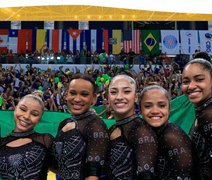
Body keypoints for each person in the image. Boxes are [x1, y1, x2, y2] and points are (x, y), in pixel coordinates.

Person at [52, 73, 109, 180]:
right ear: (66, 95)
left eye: (84, 94)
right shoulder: (64, 123)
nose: (77, 99)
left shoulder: (96, 125)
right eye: (73, 93)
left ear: (93, 99)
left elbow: (93, 174)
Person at [107, 74, 158, 179]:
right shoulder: (113, 128)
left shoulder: (142, 131)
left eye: (126, 91)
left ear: (135, 97)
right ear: (108, 98)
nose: (119, 97)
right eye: (113, 92)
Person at [139, 84, 195, 179]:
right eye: (148, 106)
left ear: (169, 109)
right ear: (140, 109)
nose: (155, 111)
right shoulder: (141, 129)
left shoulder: (173, 137)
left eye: (161, 105)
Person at [0, 94, 53, 179]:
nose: (26, 116)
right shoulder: (1, 143)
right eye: (23, 109)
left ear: (39, 119)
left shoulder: (45, 140)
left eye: (34, 114)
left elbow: (66, 170)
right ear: (15, 108)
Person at [181, 58, 212, 179]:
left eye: (199, 79)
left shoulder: (208, 115)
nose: (191, 86)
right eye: (186, 81)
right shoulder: (203, 112)